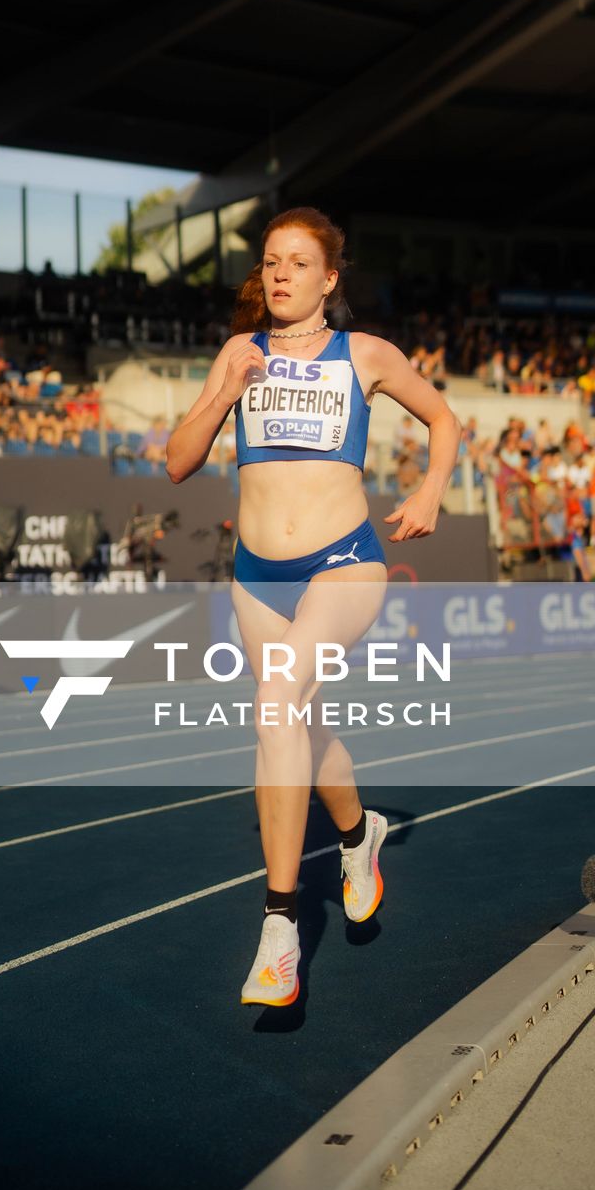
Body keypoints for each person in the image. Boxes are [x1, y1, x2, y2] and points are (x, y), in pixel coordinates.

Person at [166, 207, 458, 1008]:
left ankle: (280, 928)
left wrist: (430, 487)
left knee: (276, 702)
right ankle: (360, 833)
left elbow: (443, 417)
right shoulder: (239, 353)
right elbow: (178, 462)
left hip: (344, 563)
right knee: (299, 721)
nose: (281, 273)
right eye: (270, 261)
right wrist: (224, 390)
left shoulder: (365, 354)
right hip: (258, 574)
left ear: (330, 278)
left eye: (298, 262)